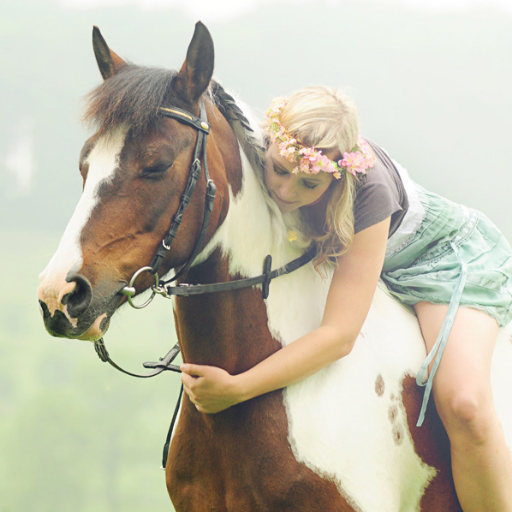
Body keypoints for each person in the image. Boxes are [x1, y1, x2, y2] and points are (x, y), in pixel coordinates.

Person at [180, 86, 512, 511]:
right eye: (279, 169)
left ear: (338, 175)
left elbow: (339, 336)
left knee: (464, 402)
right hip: (365, 265)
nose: (284, 190)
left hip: (445, 262)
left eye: (309, 183)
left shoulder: (367, 189)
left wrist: (238, 388)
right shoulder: (261, 147)